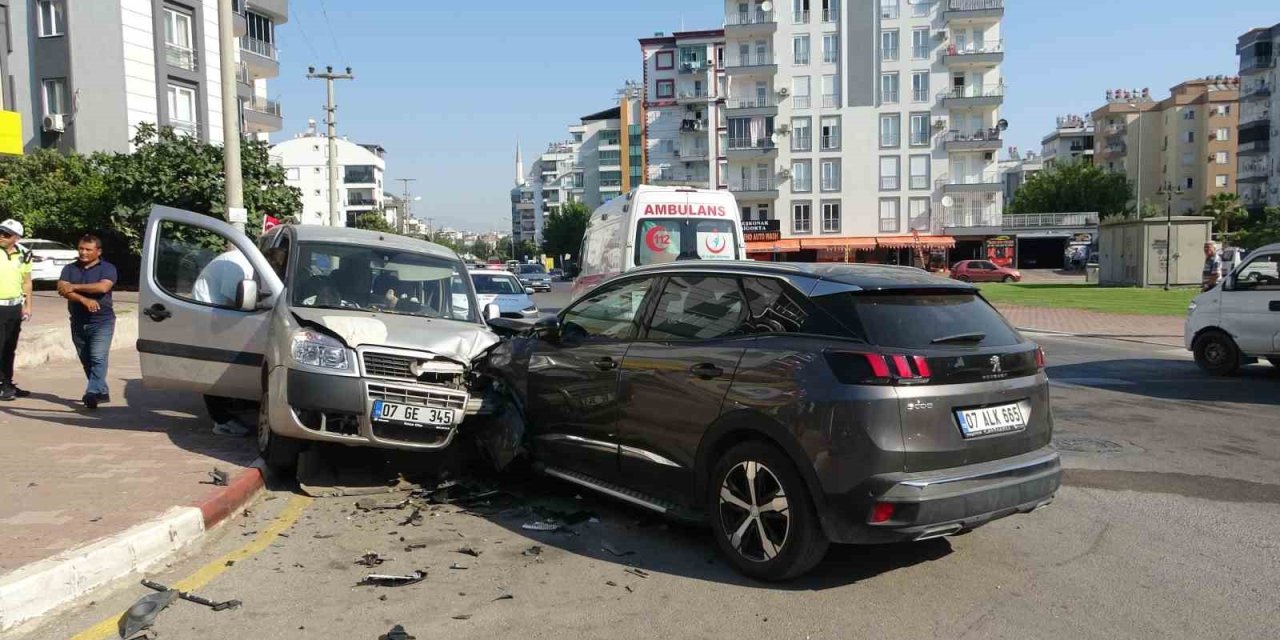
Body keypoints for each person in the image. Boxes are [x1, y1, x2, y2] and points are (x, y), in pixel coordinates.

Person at [192, 244, 255, 436]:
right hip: (211, 318)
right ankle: (222, 420)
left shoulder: (242, 260)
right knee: (215, 369)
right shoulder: (238, 264)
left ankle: (229, 409)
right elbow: (233, 300)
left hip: (215, 316)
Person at [56, 235, 118, 409]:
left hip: (102, 321)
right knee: (86, 359)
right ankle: (102, 391)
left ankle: (91, 393)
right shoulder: (70, 268)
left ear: (98, 251)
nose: (83, 252)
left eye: (88, 249)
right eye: (81, 248)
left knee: (98, 357)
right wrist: (84, 300)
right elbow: (62, 289)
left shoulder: (107, 268)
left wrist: (74, 287)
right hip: (77, 320)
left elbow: (102, 287)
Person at [0, 219, 32, 401]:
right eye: (0, 232)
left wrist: (28, 306)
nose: (1, 237)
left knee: (9, 347)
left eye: (6, 234)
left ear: (16, 238)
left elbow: (27, 282)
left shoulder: (25, 254)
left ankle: (7, 382)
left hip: (14, 307)